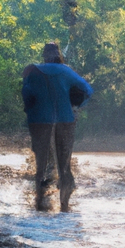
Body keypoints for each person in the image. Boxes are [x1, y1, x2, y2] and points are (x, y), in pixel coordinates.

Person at [22, 42, 93, 212]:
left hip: (39, 121)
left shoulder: (33, 71)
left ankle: (40, 203)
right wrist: (77, 105)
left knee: (41, 163)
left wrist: (30, 108)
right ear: (58, 54)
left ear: (44, 55)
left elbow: (26, 93)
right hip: (65, 120)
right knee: (64, 164)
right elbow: (87, 89)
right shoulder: (65, 71)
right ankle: (65, 206)